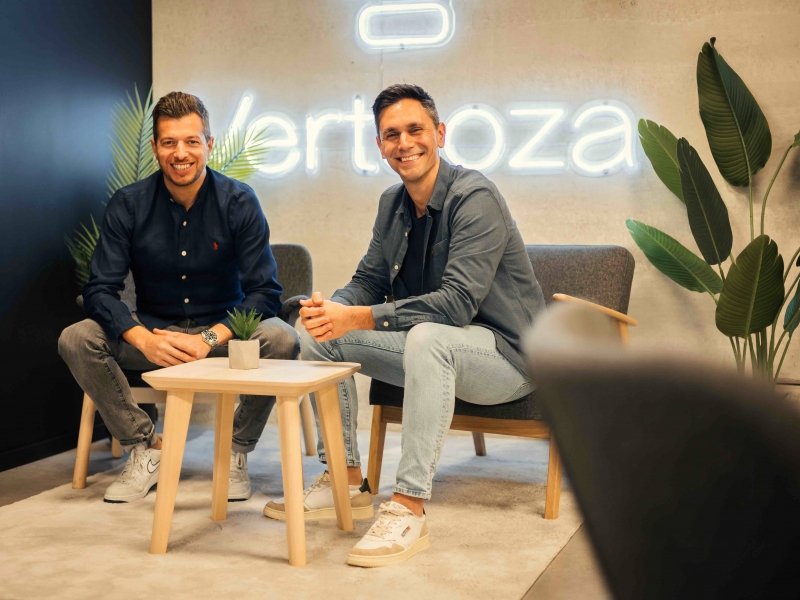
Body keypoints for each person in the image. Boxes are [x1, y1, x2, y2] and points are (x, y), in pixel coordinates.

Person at [263, 84, 545, 567]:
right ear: (379, 145)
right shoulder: (392, 204)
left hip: (508, 358)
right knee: (320, 340)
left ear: (440, 133)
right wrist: (332, 311)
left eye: (415, 129)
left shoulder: (475, 197)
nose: (404, 143)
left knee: (429, 337)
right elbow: (369, 280)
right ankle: (345, 480)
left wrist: (359, 317)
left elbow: (456, 304)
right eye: (391, 134)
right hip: (434, 351)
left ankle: (409, 506)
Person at [58, 91, 298, 503]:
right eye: (169, 142)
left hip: (222, 337)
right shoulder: (129, 204)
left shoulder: (239, 201)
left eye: (191, 141)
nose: (180, 153)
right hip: (156, 336)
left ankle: (234, 451)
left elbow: (265, 291)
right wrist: (142, 338)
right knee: (76, 338)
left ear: (210, 144)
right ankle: (146, 447)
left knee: (281, 339)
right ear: (155, 147)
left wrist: (209, 338)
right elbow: (100, 288)